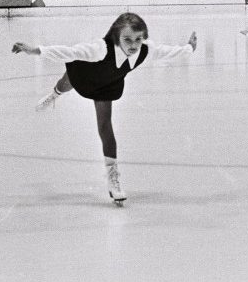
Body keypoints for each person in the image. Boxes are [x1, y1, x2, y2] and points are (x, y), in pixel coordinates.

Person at [11, 13, 197, 205]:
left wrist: (189, 48)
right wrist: (36, 51)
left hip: (108, 84)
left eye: (138, 39)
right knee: (66, 83)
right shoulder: (100, 49)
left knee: (105, 125)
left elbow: (167, 52)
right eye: (127, 39)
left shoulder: (145, 50)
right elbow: (71, 52)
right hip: (86, 73)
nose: (133, 45)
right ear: (117, 37)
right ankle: (55, 95)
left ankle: (112, 177)